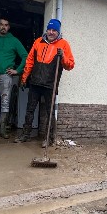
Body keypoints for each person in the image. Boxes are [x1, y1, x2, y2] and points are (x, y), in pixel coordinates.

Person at [16, 19, 75, 147]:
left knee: (50, 112)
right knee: (29, 110)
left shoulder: (64, 44)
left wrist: (63, 56)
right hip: (35, 82)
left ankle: (49, 138)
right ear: (46, 30)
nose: (51, 32)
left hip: (50, 85)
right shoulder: (38, 42)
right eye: (49, 29)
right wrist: (24, 77)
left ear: (58, 32)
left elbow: (70, 65)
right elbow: (30, 61)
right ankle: (25, 134)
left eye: (54, 30)